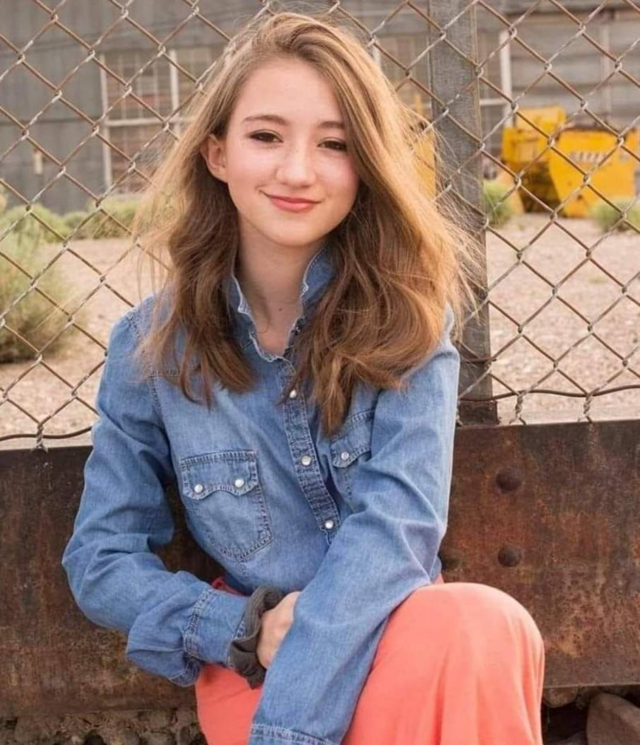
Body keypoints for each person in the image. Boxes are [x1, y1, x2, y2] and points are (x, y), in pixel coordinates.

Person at [61, 9, 545, 745]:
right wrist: (242, 626)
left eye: (334, 144)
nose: (296, 171)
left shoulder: (409, 323)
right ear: (217, 153)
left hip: (396, 645)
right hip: (257, 669)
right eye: (266, 136)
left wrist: (293, 724)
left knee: (483, 624)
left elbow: (399, 531)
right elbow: (100, 558)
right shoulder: (151, 347)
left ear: (366, 166)